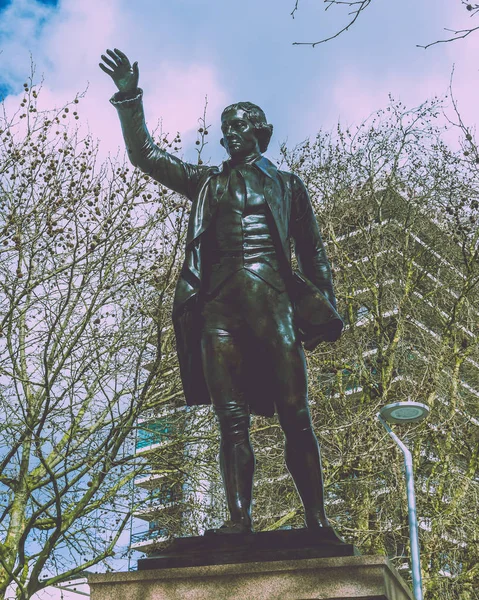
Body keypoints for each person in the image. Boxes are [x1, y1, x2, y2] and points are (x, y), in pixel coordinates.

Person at [100, 48, 342, 535]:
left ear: (259, 131)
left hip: (273, 299)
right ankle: (239, 521)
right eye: (225, 125)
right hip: (218, 305)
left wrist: (323, 304)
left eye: (238, 124)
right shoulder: (207, 181)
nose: (228, 132)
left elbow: (312, 252)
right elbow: (145, 155)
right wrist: (130, 97)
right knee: (229, 419)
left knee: (296, 413)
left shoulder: (289, 186)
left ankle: (317, 520)